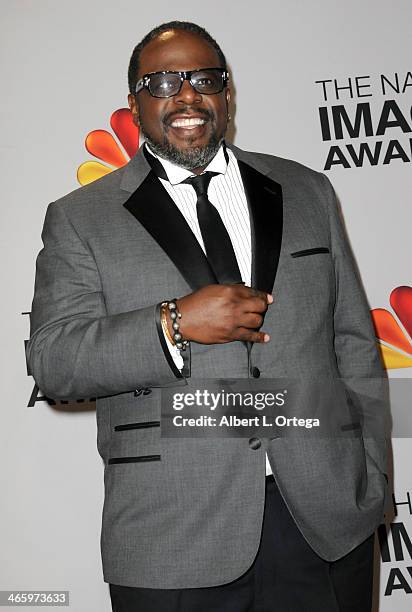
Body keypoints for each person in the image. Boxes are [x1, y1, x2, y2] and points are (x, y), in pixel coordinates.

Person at [27, 20, 388, 612]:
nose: (187, 95)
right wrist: (173, 324)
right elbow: (54, 360)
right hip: (173, 532)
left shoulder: (307, 191)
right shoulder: (81, 218)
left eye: (204, 78)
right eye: (163, 81)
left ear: (228, 94)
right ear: (135, 104)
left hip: (324, 521)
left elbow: (353, 344)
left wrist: (370, 479)